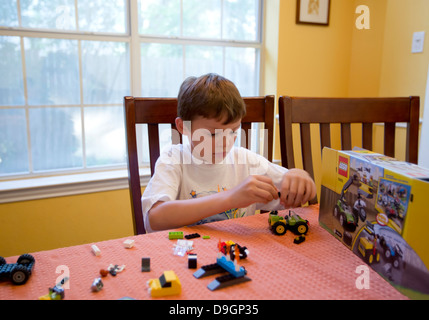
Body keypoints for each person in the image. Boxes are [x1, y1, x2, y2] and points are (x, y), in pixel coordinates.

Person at [141, 73, 316, 232]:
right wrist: (231, 198)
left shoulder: (247, 161)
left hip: (236, 254)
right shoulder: (174, 159)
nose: (225, 142)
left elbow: (294, 188)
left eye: (233, 131)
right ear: (183, 127)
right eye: (213, 134)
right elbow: (155, 218)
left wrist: (299, 176)